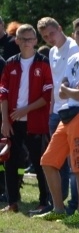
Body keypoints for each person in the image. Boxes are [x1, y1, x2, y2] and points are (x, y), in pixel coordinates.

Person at [34, 17, 79, 224]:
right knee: (47, 161)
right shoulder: (74, 59)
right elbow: (64, 88)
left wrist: (68, 90)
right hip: (67, 115)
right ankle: (59, 208)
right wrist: (69, 89)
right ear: (74, 35)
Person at [0, 24, 52, 213]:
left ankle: (44, 201)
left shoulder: (44, 63)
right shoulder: (10, 63)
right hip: (13, 122)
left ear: (36, 41)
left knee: (40, 162)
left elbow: (47, 96)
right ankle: (12, 201)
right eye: (23, 39)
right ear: (17, 41)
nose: (26, 42)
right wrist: (5, 121)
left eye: (30, 39)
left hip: (36, 121)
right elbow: (3, 94)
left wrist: (26, 110)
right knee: (11, 161)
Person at [37, 17, 79, 214]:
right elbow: (54, 84)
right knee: (55, 161)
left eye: (52, 33)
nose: (49, 39)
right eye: (45, 37)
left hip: (74, 110)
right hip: (57, 111)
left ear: (60, 28)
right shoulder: (52, 52)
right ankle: (58, 204)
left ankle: (76, 206)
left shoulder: (74, 47)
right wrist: (52, 110)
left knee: (75, 162)